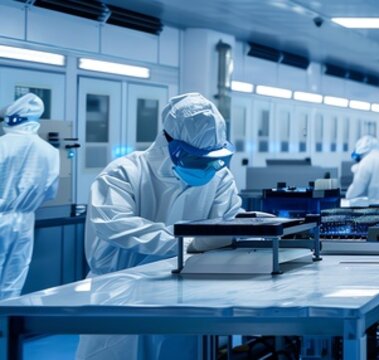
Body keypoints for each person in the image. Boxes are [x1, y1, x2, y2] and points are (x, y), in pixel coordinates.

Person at [78, 93, 243, 360]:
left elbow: (226, 224)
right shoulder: (123, 173)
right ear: (168, 144)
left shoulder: (219, 176)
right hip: (121, 295)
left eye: (215, 157)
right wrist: (189, 241)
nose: (207, 167)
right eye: (196, 158)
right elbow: (117, 227)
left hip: (188, 295)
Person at [0, 93, 59, 299]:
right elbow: (50, 192)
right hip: (25, 220)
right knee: (14, 277)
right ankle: (5, 327)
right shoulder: (49, 151)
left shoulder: (2, 145)